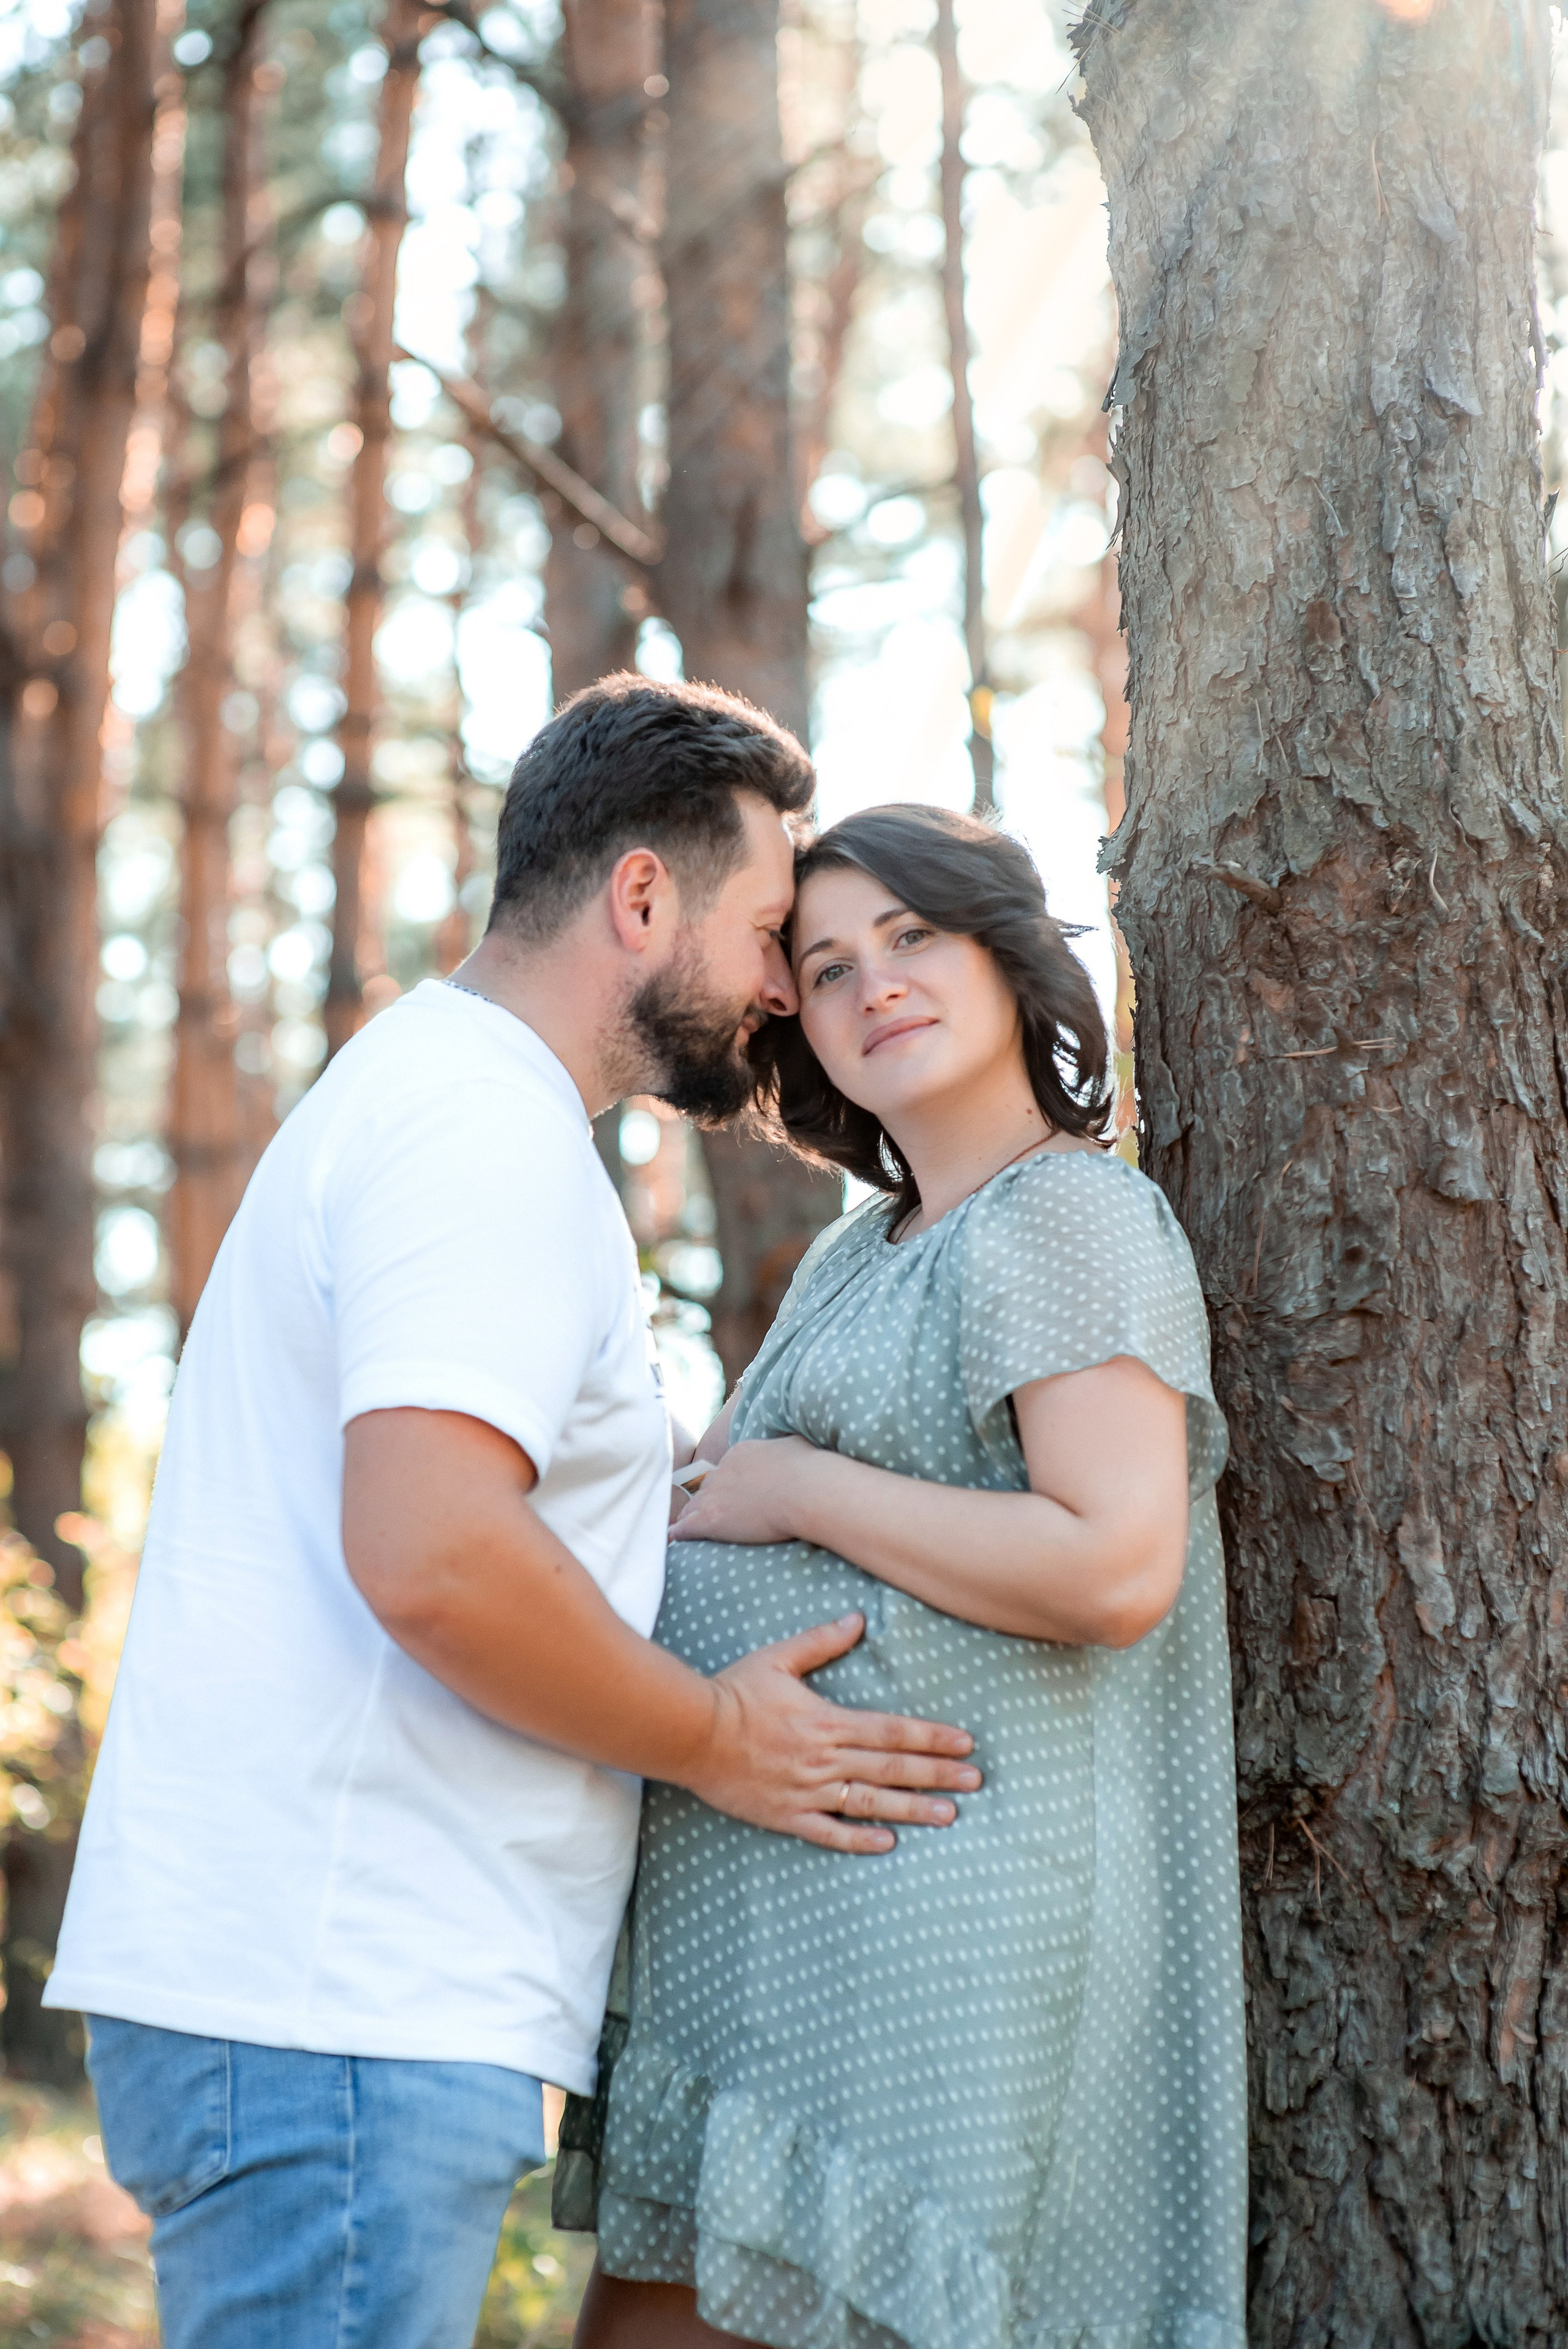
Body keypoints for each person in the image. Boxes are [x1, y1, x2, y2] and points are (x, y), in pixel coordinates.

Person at [45, 684, 981, 2349]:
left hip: (337, 2004)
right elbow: (433, 1549)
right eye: (771, 929)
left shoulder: (439, 1099)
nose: (783, 986)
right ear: (640, 898)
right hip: (338, 2008)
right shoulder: (482, 1125)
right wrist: (715, 1736)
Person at [565, 803, 1247, 2349]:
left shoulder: (1068, 1210)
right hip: (766, 1921)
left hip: (941, 1930)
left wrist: (801, 1485)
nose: (871, 981)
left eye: (912, 936)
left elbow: (1115, 1561)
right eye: (823, 963)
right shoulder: (851, 1252)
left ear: (1004, 953)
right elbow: (708, 1502)